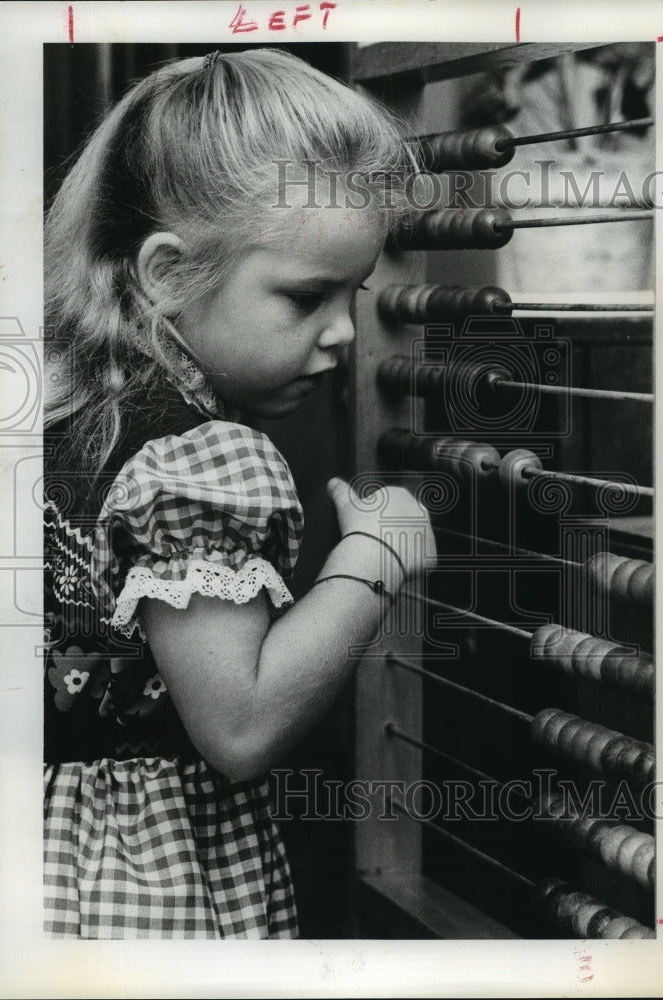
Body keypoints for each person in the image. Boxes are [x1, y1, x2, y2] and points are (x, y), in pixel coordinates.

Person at [42, 47, 435, 939]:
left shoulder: (65, 402)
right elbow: (242, 727)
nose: (343, 333)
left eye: (357, 293)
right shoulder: (202, 460)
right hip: (144, 883)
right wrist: (375, 559)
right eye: (306, 297)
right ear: (168, 272)